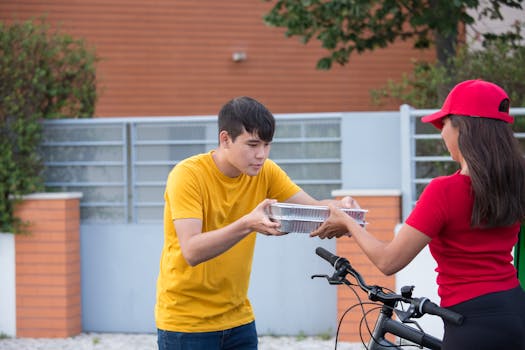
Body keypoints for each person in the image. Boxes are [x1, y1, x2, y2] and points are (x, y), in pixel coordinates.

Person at [312, 79, 525, 349]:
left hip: (471, 321)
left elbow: (389, 261)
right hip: (516, 309)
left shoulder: (444, 191)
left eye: (444, 124)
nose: (441, 134)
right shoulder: (518, 182)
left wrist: (347, 223)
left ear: (462, 127)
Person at [155, 96, 355, 350]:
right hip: (186, 325)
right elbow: (192, 251)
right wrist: (247, 224)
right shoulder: (188, 175)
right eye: (252, 144)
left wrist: (344, 210)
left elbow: (314, 208)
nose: (261, 155)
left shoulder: (266, 172)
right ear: (225, 139)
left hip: (239, 320)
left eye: (267, 145)